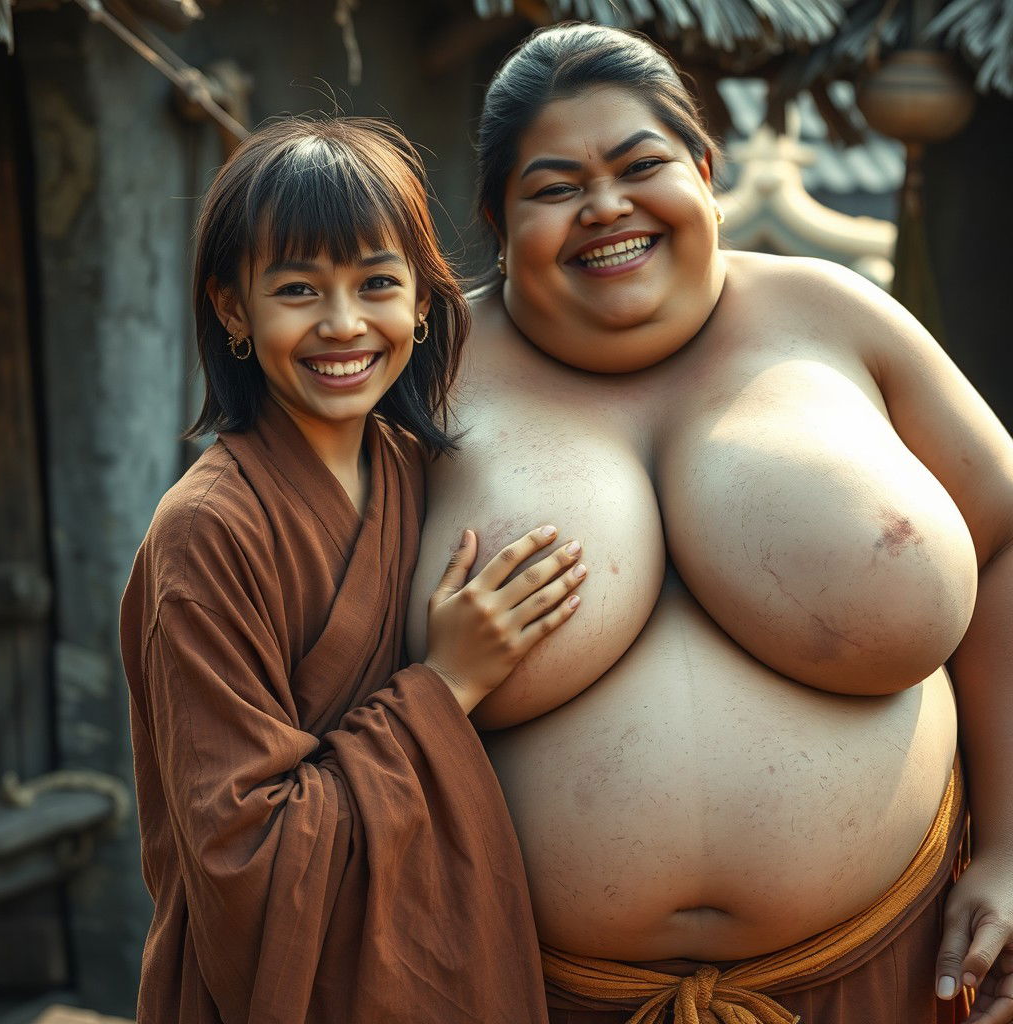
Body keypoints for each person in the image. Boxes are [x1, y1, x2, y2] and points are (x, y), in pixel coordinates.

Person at [406, 22, 1013, 1024]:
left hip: (897, 971)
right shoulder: (424, 376)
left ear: (702, 167)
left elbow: (1004, 539)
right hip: (522, 989)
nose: (606, 206)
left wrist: (1010, 846)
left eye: (640, 164)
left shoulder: (836, 315)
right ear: (494, 215)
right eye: (554, 187)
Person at [119, 116, 588, 1023]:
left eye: (376, 283)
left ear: (420, 299)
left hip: (451, 958)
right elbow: (242, 859)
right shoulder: (207, 533)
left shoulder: (425, 473)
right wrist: (446, 686)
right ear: (232, 309)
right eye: (298, 289)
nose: (343, 325)